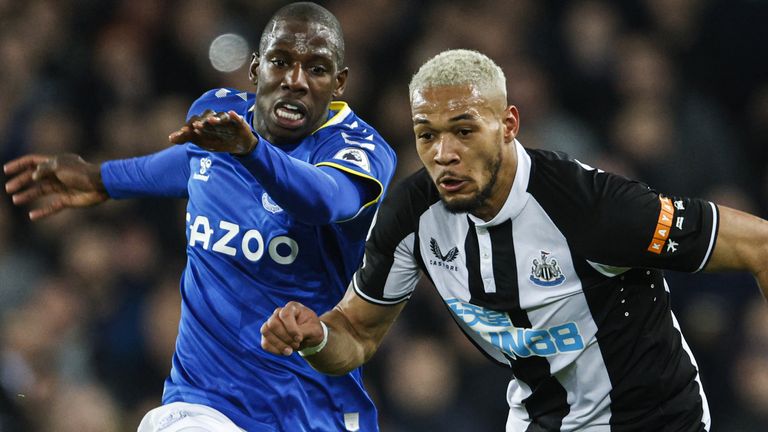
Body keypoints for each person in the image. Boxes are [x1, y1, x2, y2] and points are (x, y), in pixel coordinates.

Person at [260, 49, 768, 431]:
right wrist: (318, 337)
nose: (443, 154)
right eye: (427, 134)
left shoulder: (590, 206)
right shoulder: (412, 213)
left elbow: (758, 245)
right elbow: (358, 331)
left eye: (463, 130)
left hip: (652, 421)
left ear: (508, 125)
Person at [4, 2, 396, 431]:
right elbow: (193, 165)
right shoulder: (220, 118)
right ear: (255, 69)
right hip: (205, 405)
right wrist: (103, 179)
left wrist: (251, 152)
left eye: (317, 69)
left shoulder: (359, 149)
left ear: (339, 82)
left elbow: (323, 201)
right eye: (280, 62)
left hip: (314, 411)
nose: (295, 81)